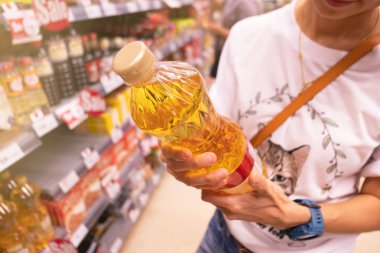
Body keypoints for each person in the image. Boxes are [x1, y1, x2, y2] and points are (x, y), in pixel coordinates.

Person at [160, 0, 380, 252]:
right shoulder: (248, 35)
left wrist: (302, 216)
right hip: (224, 238)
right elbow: (218, 132)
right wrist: (187, 156)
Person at [202, 0, 264, 78]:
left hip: (236, 60)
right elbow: (220, 6)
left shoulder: (246, 4)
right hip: (225, 55)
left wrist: (219, 30)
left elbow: (247, 36)